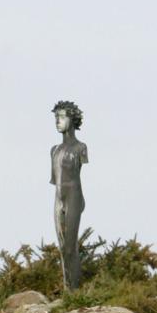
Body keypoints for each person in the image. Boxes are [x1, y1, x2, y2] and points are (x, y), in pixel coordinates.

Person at [50, 100, 88, 289]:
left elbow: (77, 173)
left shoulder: (80, 148)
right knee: (62, 246)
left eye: (62, 117)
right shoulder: (54, 150)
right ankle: (67, 288)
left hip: (73, 197)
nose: (58, 120)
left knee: (70, 247)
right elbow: (54, 179)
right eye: (56, 117)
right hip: (58, 199)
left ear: (72, 119)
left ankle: (75, 290)